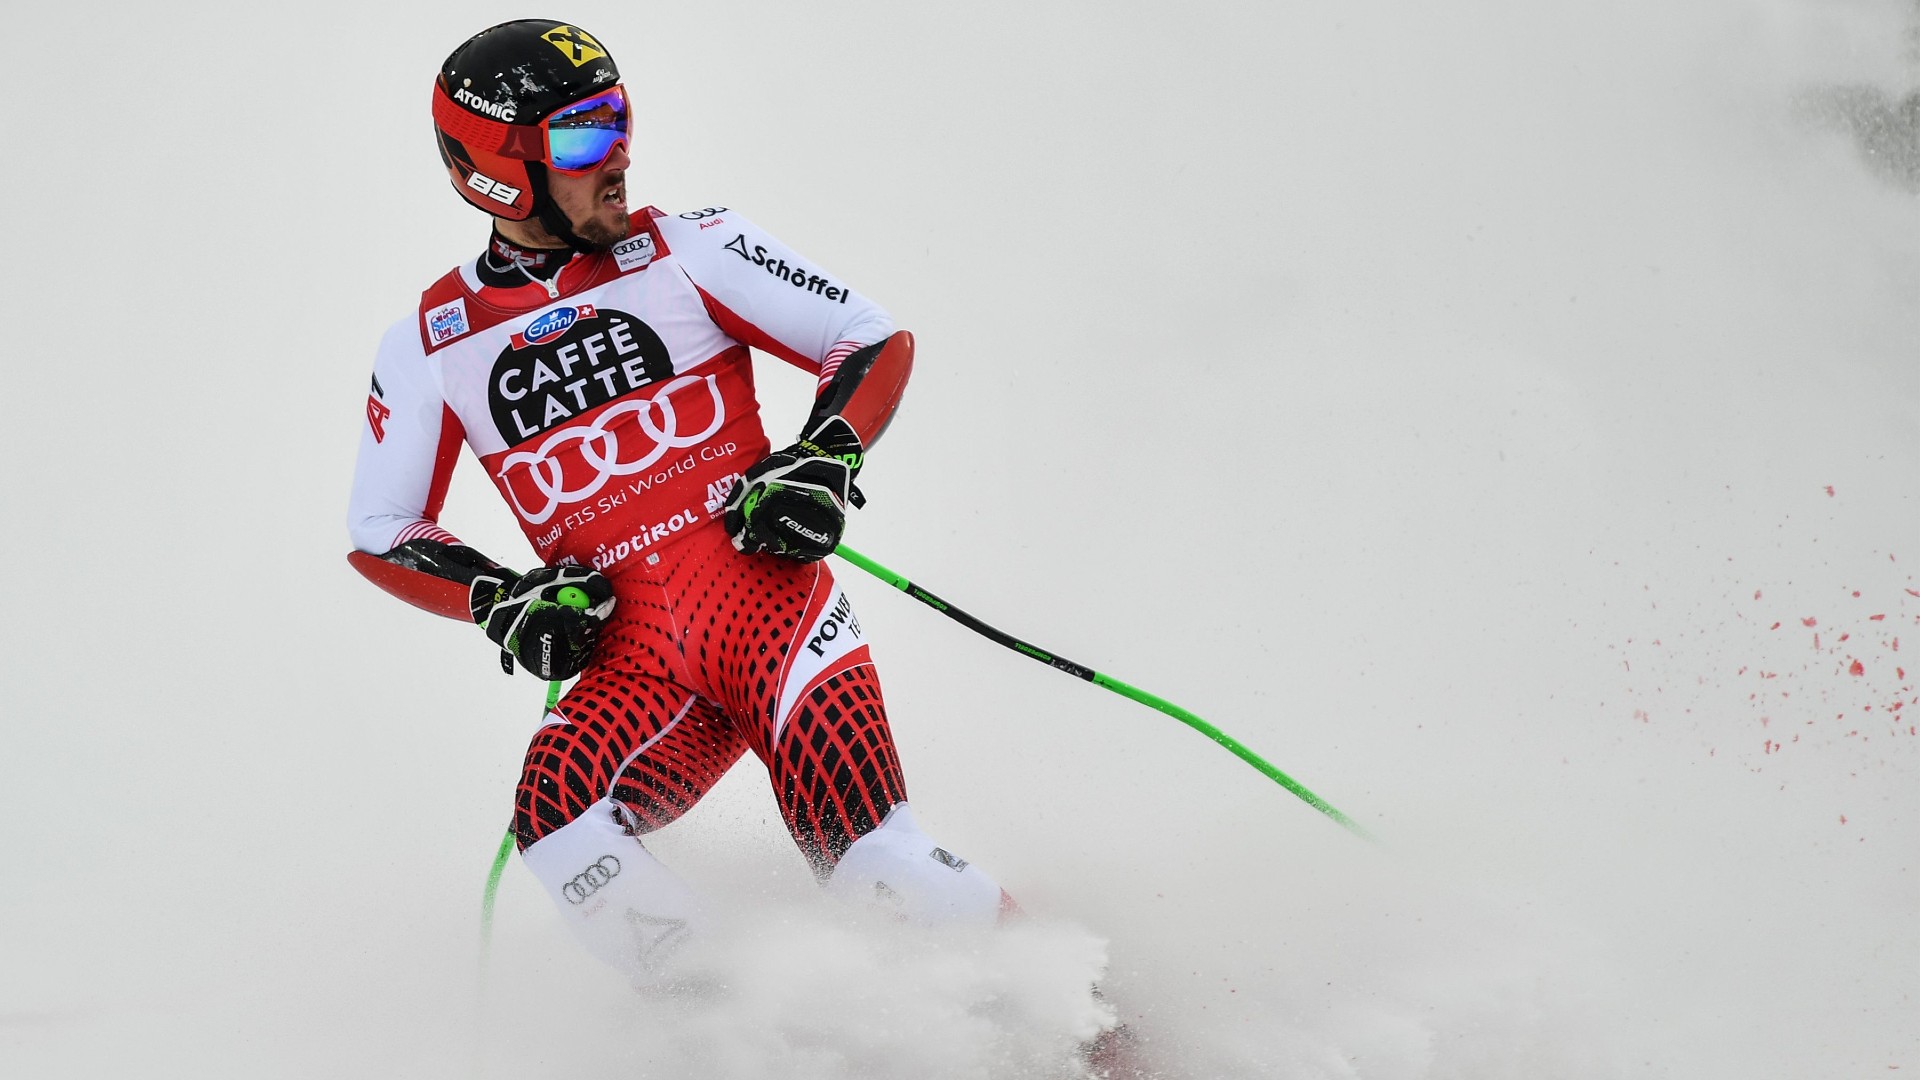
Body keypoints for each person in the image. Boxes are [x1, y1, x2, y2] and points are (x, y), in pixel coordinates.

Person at [344, 19, 1015, 980]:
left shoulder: (691, 247)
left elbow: (866, 339)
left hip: (772, 623)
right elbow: (378, 532)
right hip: (637, 667)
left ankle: (1109, 1024)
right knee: (560, 834)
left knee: (877, 868)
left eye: (620, 121)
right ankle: (752, 1036)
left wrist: (823, 457)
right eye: (581, 138)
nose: (616, 158)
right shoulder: (427, 342)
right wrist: (500, 597)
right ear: (496, 170)